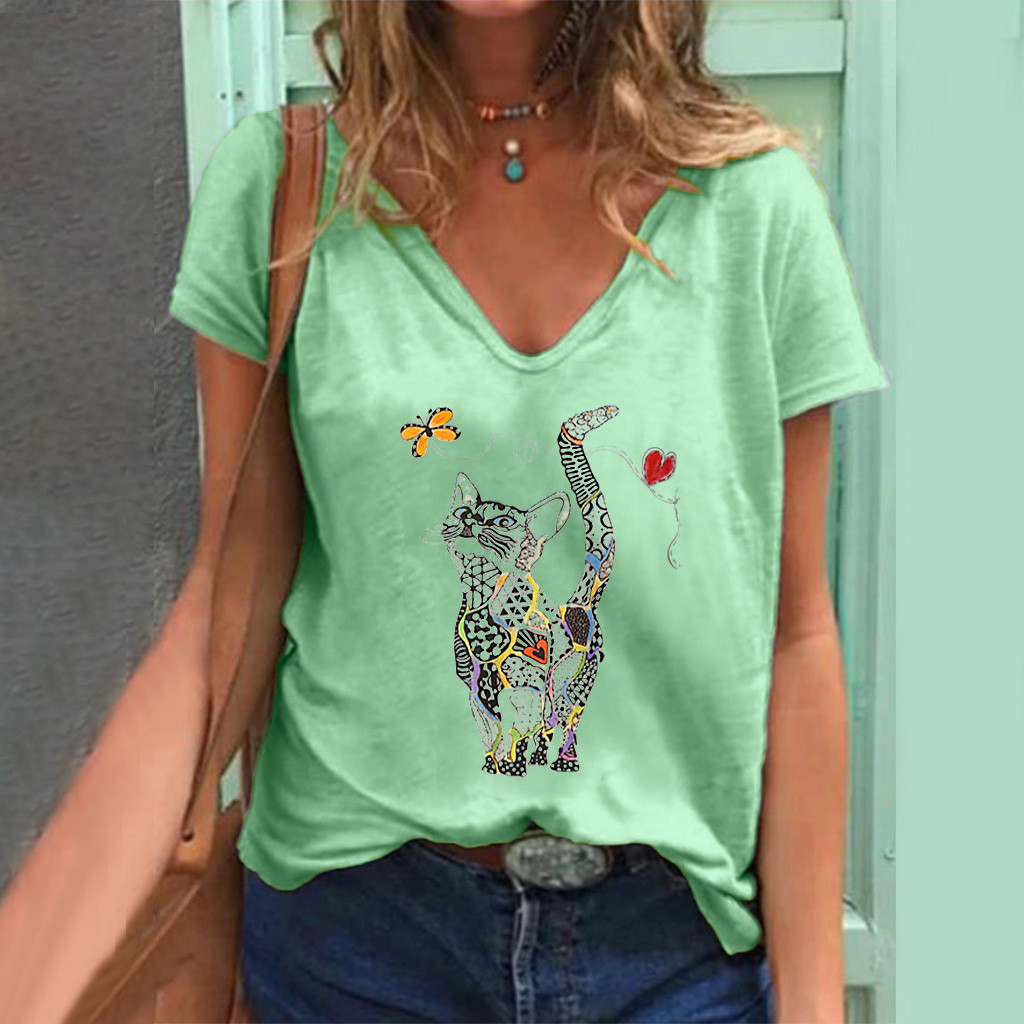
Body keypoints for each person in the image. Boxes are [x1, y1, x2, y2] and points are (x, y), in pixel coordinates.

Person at [0, 2, 890, 1023]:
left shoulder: (756, 206)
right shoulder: (285, 191)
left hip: (671, 956)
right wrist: (35, 965)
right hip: (359, 944)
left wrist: (813, 1003)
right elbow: (225, 601)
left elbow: (796, 634)